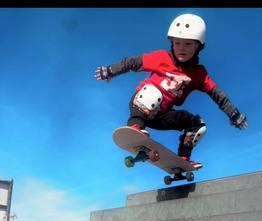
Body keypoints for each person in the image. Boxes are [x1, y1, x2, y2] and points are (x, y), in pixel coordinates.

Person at [95, 13, 248, 169]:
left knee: (198, 124)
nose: (182, 48)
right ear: (172, 43)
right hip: (142, 105)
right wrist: (111, 71)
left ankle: (183, 158)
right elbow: (132, 62)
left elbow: (217, 95)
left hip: (162, 116)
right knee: (152, 93)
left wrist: (234, 114)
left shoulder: (199, 74)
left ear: (198, 47)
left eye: (188, 44)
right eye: (177, 43)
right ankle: (136, 126)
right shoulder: (161, 58)